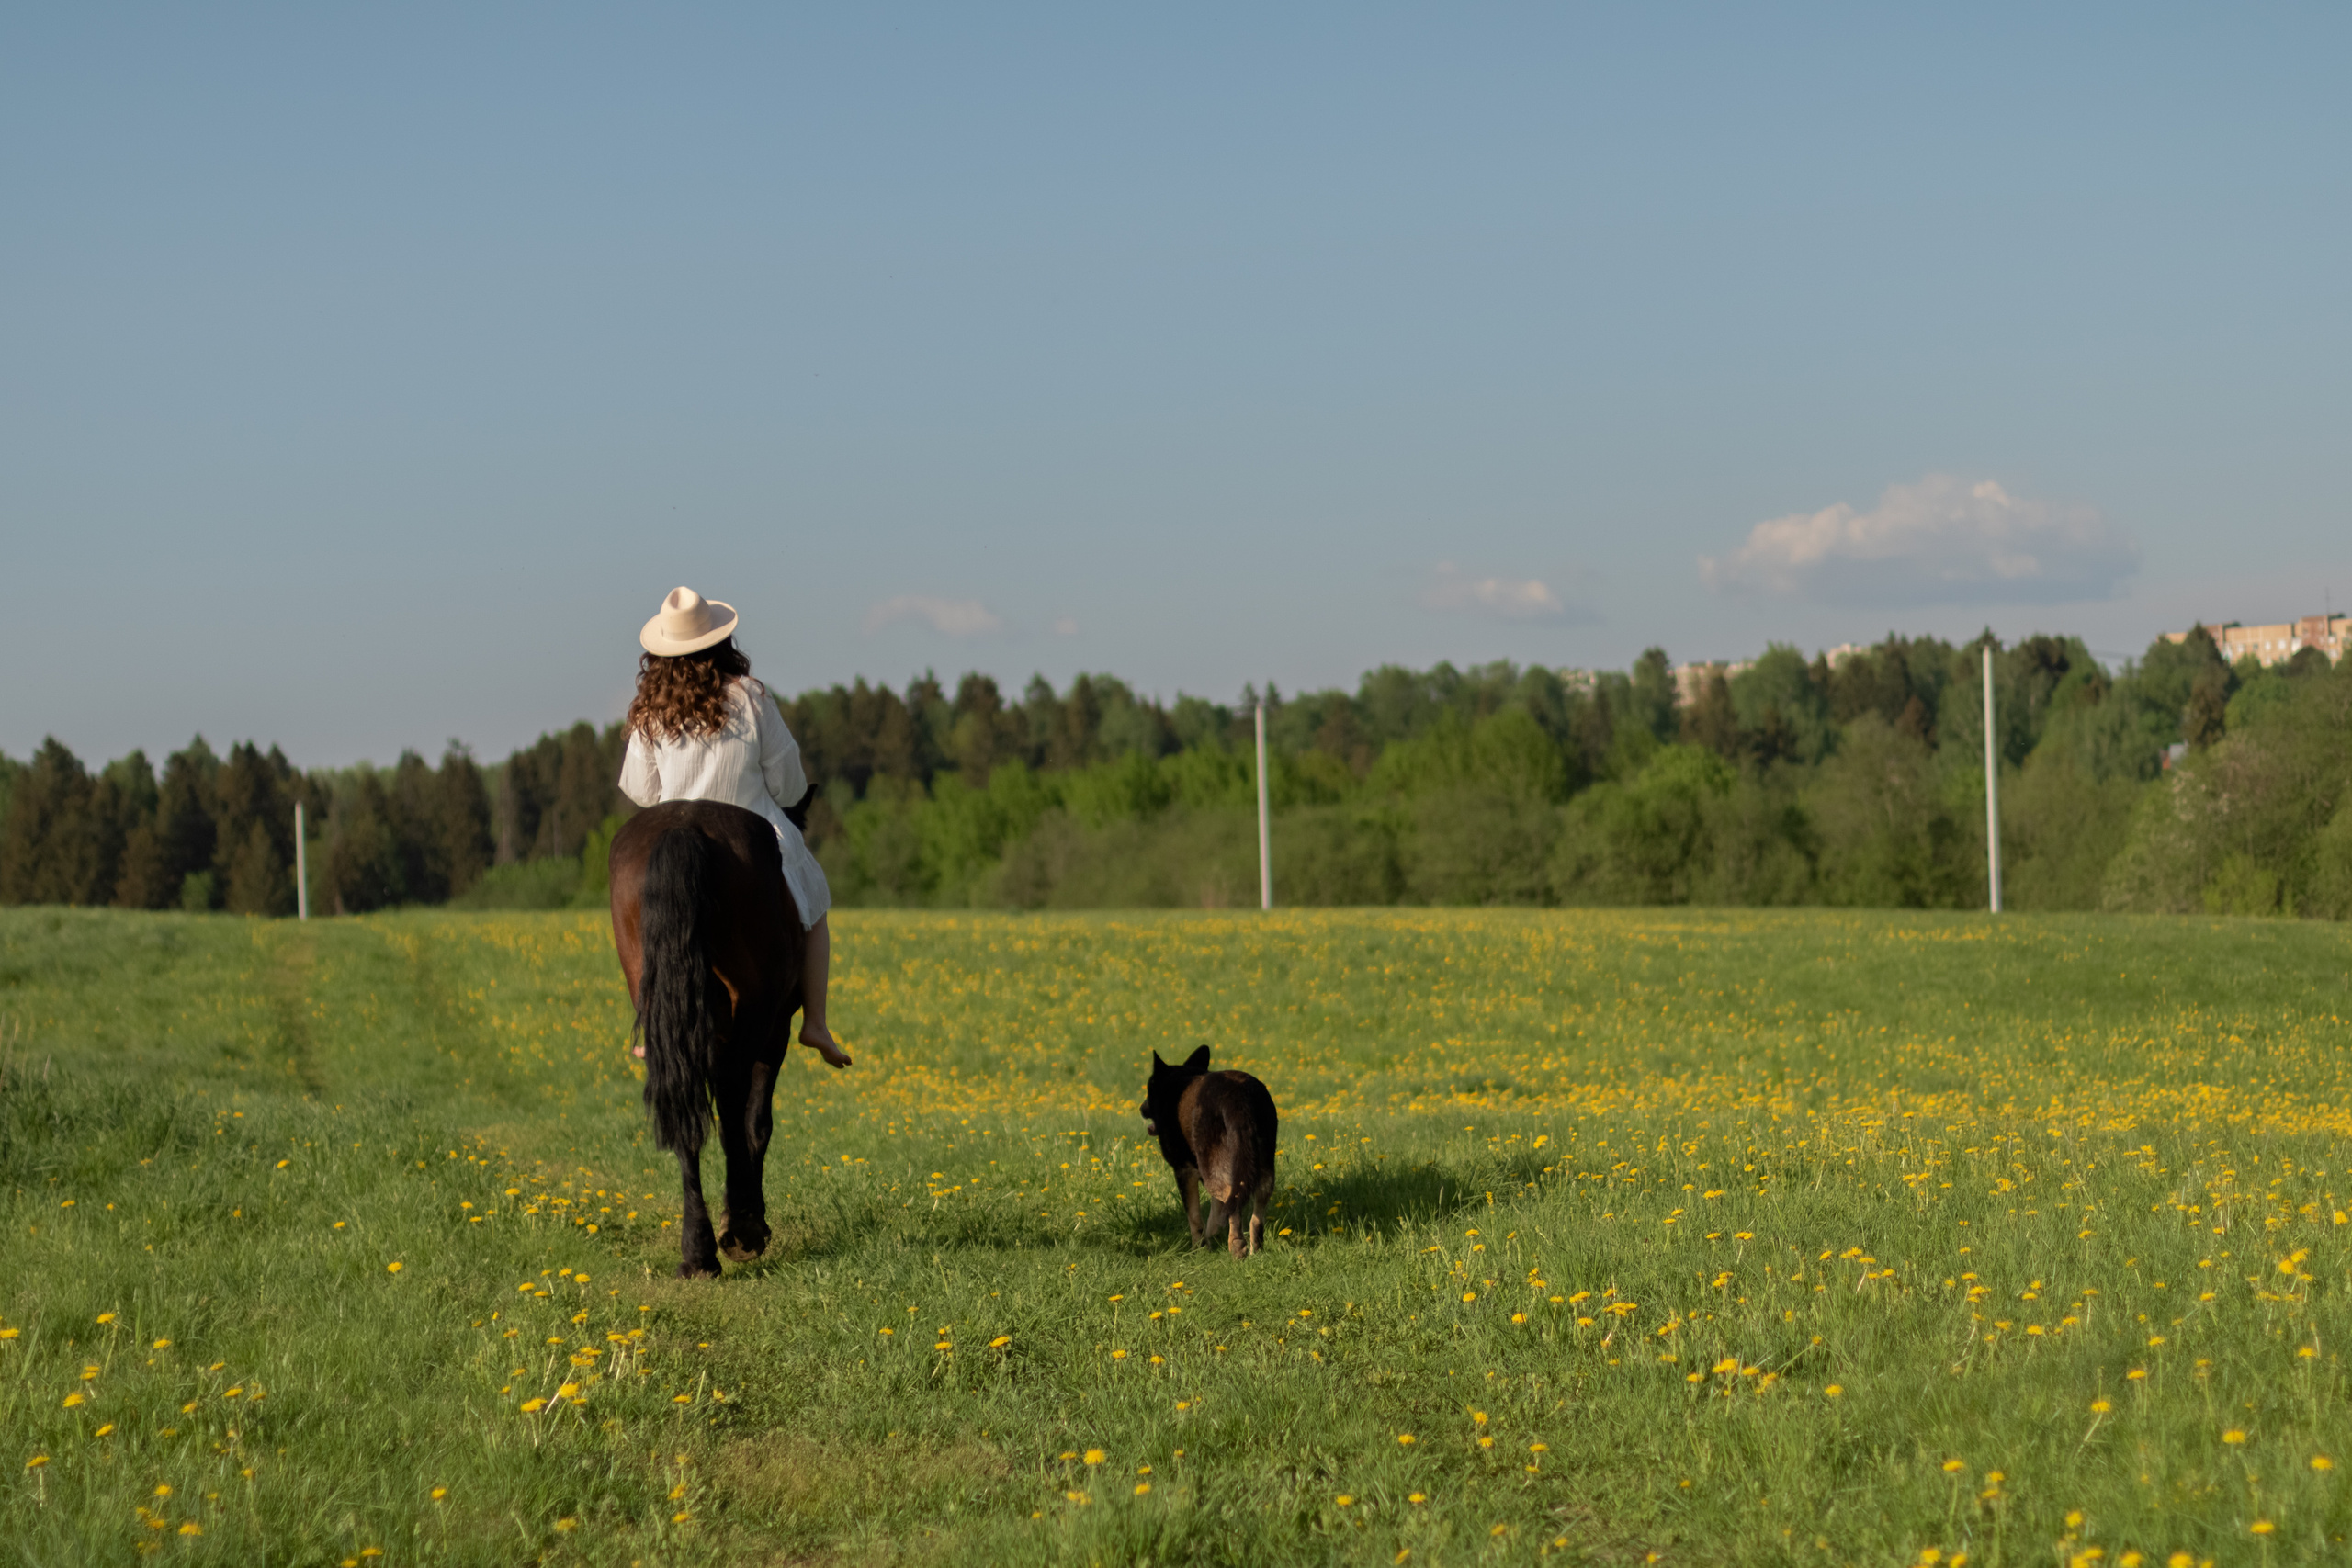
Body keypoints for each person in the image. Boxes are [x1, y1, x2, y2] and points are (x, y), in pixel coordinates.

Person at [616, 586, 850, 1068]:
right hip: (755, 825)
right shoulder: (751, 697)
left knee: (654, 921)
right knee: (816, 902)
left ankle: (656, 1023)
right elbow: (787, 787)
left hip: (672, 827)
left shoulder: (651, 708)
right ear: (720, 641)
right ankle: (816, 1023)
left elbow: (639, 790)